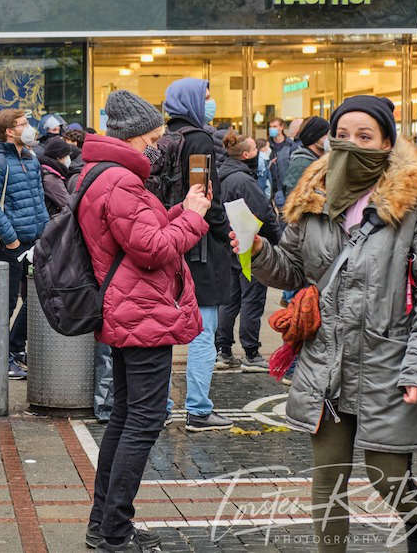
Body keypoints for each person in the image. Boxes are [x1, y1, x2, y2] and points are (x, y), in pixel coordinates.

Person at [237, 95, 417, 553]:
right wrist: (256, 251)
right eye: (341, 135)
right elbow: (293, 270)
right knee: (327, 481)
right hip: (327, 363)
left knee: (387, 474)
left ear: (386, 142)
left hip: (390, 364)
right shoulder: (313, 195)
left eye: (364, 136)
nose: (350, 144)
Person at [77, 90, 211, 552]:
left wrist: (179, 210)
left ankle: (104, 525)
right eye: (153, 138)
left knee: (125, 416)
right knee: (143, 419)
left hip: (131, 308)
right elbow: (151, 249)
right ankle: (115, 531)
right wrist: (192, 219)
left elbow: (138, 236)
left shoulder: (106, 176)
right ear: (134, 137)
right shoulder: (119, 181)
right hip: (141, 312)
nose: (158, 147)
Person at [162, 79, 233, 432]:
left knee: (161, 330)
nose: (211, 102)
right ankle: (199, 410)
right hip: (199, 248)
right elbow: (206, 196)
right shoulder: (199, 140)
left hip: (167, 240)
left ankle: (159, 407)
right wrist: (228, 230)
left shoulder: (162, 138)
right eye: (206, 97)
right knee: (203, 330)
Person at [0, 109, 49, 379]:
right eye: (23, 124)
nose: (28, 128)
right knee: (4, 305)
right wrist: (12, 239)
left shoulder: (30, 158)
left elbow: (38, 199)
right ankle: (3, 358)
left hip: (33, 241)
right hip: (10, 245)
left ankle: (15, 347)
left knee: (37, 298)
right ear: (9, 131)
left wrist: (45, 232)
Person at [215, 131, 280, 372]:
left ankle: (223, 350)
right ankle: (251, 353)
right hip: (248, 247)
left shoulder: (222, 175)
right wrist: (278, 240)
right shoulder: (244, 181)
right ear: (245, 155)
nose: (258, 154)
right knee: (251, 300)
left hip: (228, 246)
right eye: (255, 150)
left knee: (230, 301)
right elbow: (264, 213)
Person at [282, 117, 330, 193]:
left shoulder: (321, 159)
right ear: (315, 136)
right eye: (326, 134)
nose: (329, 138)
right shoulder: (301, 163)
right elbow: (293, 195)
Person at [38, 135, 72, 217]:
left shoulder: (47, 169)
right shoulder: (51, 177)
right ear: (59, 157)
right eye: (67, 155)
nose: (68, 158)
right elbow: (68, 203)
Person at [268, 117, 293, 207]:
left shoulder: (290, 145)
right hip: (271, 188)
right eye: (270, 127)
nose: (272, 129)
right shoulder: (267, 146)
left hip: (286, 188)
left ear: (281, 127)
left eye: (275, 126)